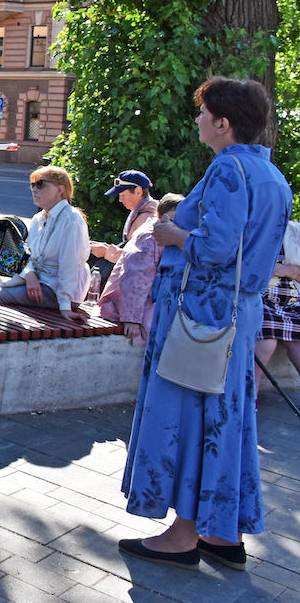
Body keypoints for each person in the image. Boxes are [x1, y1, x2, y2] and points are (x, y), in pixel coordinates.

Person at [120, 77, 291, 571]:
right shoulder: (270, 175)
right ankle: (222, 532)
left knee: (190, 415)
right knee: (226, 418)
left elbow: (216, 249)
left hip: (202, 317)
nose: (197, 121)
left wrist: (172, 234)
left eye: (203, 114)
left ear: (223, 123)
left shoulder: (228, 167)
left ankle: (183, 536)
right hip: (236, 317)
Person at [0, 166, 90, 321]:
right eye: (32, 185)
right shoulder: (38, 219)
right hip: (39, 283)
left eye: (40, 184)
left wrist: (65, 307)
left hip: (59, 291)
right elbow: (27, 254)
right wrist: (30, 275)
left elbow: (69, 265)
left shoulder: (71, 218)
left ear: (59, 189)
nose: (34, 189)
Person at [98, 193, 183, 346]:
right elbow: (134, 278)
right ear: (161, 216)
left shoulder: (171, 236)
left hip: (148, 301)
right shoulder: (149, 237)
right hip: (123, 304)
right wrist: (132, 319)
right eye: (172, 219)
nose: (176, 224)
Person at [256, 219, 300, 400]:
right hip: (260, 297)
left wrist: (286, 270)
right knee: (266, 344)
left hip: (292, 298)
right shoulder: (253, 226)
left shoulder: (295, 230)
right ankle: (250, 398)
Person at [89, 169, 159, 266]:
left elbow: (141, 259)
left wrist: (107, 252)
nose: (120, 199)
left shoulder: (147, 220)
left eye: (123, 195)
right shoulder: (139, 212)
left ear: (138, 191)